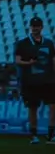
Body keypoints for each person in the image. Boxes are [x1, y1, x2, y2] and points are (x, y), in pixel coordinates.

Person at [14, 16, 55, 144]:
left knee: (53, 106)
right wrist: (29, 63)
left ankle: (51, 135)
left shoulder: (49, 43)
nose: (35, 28)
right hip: (30, 81)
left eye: (37, 26)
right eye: (33, 26)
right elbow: (17, 60)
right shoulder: (22, 43)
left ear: (42, 27)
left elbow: (53, 60)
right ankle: (33, 135)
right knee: (33, 108)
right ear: (30, 27)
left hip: (48, 80)